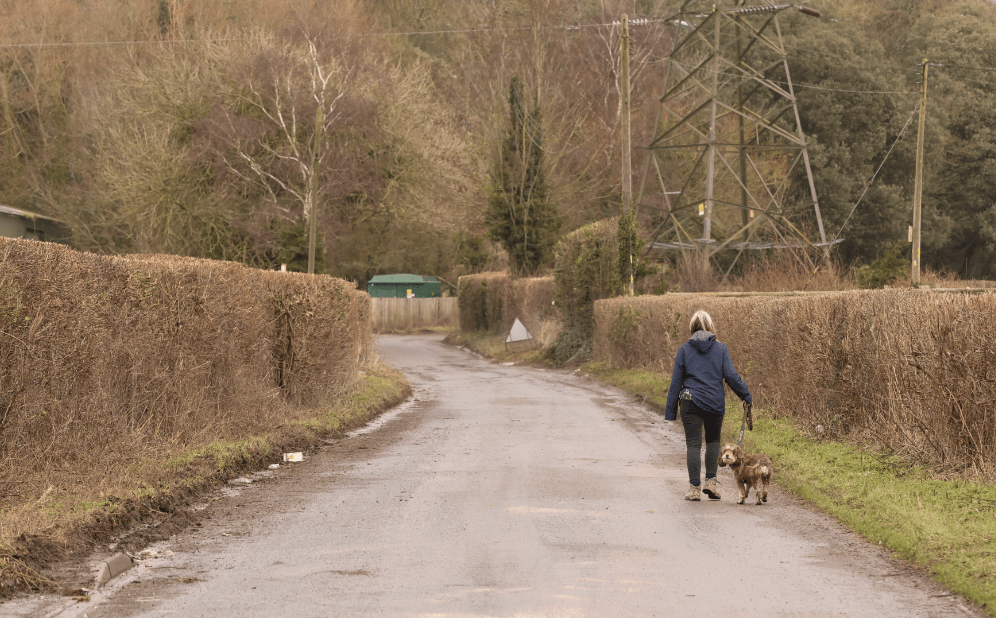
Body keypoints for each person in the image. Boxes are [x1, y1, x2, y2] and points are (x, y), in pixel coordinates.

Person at [664, 310, 752, 501]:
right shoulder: (721, 349)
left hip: (690, 401)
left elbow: (676, 382)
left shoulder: (685, 350)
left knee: (693, 445)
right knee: (713, 442)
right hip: (714, 402)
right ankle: (711, 484)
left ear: (692, 328)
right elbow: (731, 377)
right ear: (710, 327)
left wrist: (671, 411)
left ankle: (694, 489)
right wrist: (745, 395)